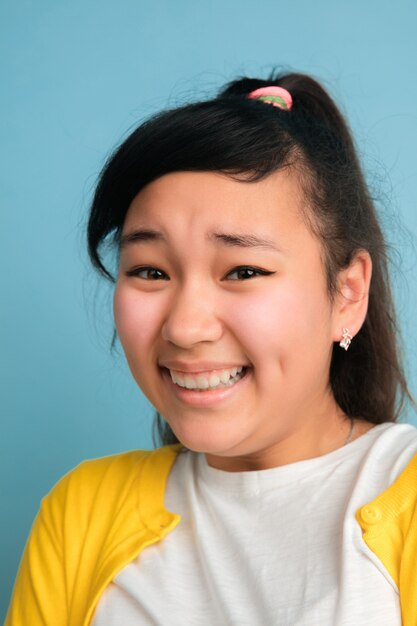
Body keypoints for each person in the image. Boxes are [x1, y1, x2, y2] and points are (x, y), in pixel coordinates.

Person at [6, 72, 417, 626]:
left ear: (347, 295)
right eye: (150, 271)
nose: (185, 327)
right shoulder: (81, 513)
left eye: (243, 270)